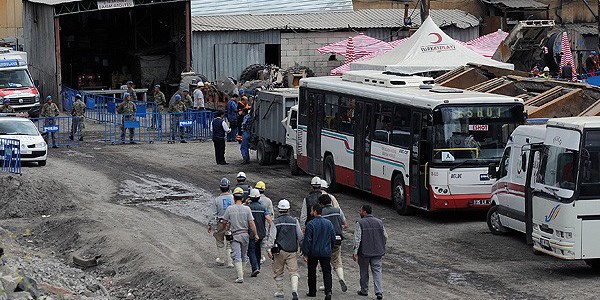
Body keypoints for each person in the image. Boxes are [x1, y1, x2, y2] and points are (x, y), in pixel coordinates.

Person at [267, 199, 303, 300]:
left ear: (279, 209)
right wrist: (302, 248)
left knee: (278, 271)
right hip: (292, 251)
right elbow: (300, 236)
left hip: (279, 251)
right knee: (294, 272)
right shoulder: (294, 221)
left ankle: (280, 291)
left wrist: (269, 249)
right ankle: (294, 290)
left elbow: (272, 237)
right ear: (288, 209)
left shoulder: (275, 222)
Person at [222, 187, 259, 283]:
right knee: (243, 255)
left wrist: (226, 227)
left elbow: (224, 221)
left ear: (234, 199)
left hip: (235, 235)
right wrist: (255, 234)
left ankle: (240, 276)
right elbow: (251, 223)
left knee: (236, 255)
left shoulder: (230, 209)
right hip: (245, 235)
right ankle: (241, 273)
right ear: (242, 198)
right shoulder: (247, 209)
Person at [302, 204, 336, 300]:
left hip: (313, 252)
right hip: (325, 252)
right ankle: (328, 291)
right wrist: (330, 248)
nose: (310, 212)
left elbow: (307, 240)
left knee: (312, 271)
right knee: (327, 272)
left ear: (315, 212)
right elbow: (333, 238)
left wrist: (305, 253)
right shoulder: (329, 223)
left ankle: (312, 291)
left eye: (312, 210)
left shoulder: (310, 224)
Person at [353, 205, 387, 300]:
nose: (359, 212)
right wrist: (381, 245)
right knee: (377, 271)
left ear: (364, 212)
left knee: (364, 272)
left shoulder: (360, 223)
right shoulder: (380, 222)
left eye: (360, 210)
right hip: (377, 251)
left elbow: (357, 239)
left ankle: (364, 290)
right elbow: (385, 236)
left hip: (364, 252)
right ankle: (379, 292)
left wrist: (355, 252)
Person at [319, 194, 348, 293]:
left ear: (321, 203)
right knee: (337, 260)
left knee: (325, 262)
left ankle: (325, 284)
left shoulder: (321, 212)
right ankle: (341, 278)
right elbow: (345, 223)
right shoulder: (338, 210)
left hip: (325, 241)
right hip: (338, 239)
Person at [208, 178, 235, 267]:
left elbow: (213, 214)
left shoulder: (217, 200)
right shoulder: (233, 198)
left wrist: (210, 224)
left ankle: (221, 259)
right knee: (229, 241)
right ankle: (230, 262)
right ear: (229, 187)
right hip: (231, 223)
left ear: (220, 188)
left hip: (220, 223)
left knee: (219, 241)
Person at [247, 188, 272, 277]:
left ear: (250, 197)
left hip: (251, 233)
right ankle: (258, 267)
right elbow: (269, 219)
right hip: (261, 233)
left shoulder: (248, 208)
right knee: (258, 250)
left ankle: (255, 267)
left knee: (251, 251)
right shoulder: (263, 208)